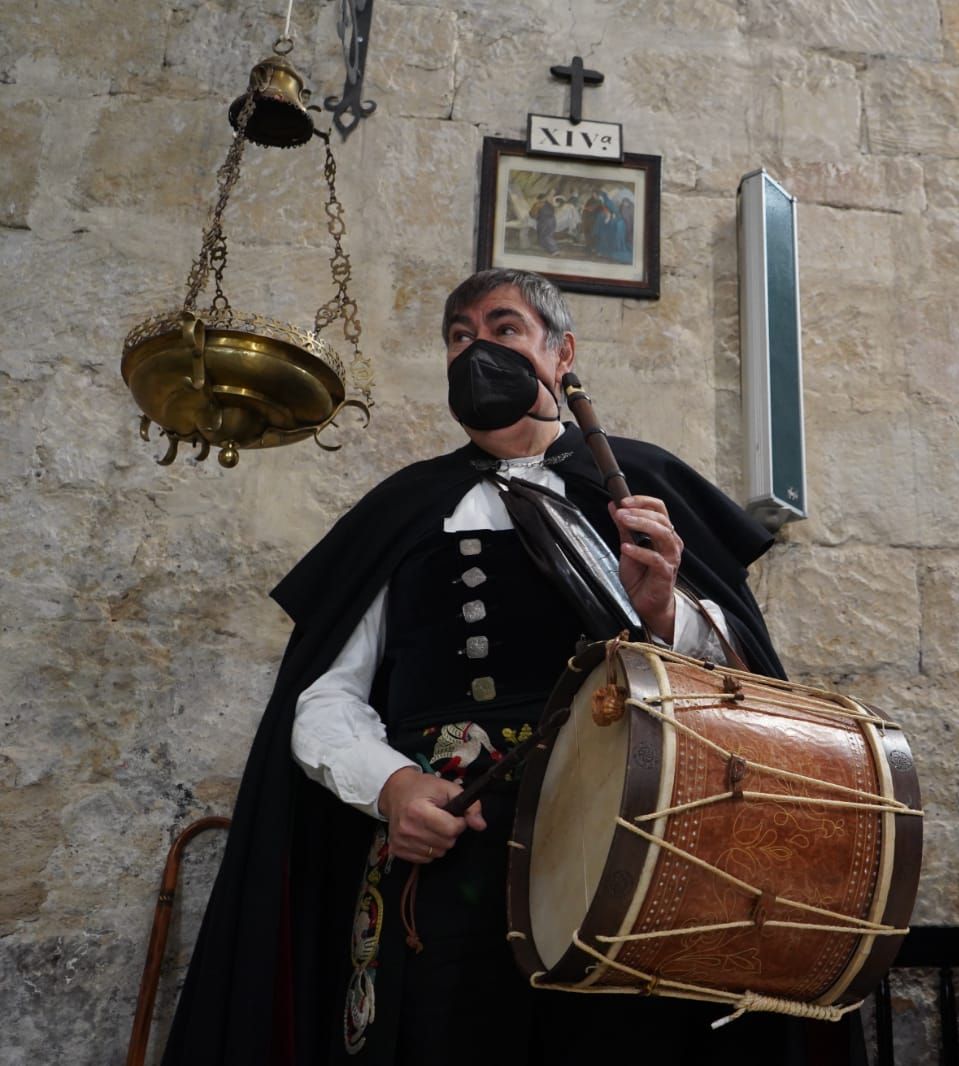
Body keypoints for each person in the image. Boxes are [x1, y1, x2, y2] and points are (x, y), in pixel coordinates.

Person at [162, 269, 854, 1065]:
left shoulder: (645, 491)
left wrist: (666, 610)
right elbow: (324, 700)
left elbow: (745, 695)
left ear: (562, 354)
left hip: (627, 857)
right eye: (459, 336)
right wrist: (392, 787)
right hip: (452, 857)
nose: (476, 349)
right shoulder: (403, 511)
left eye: (503, 329)